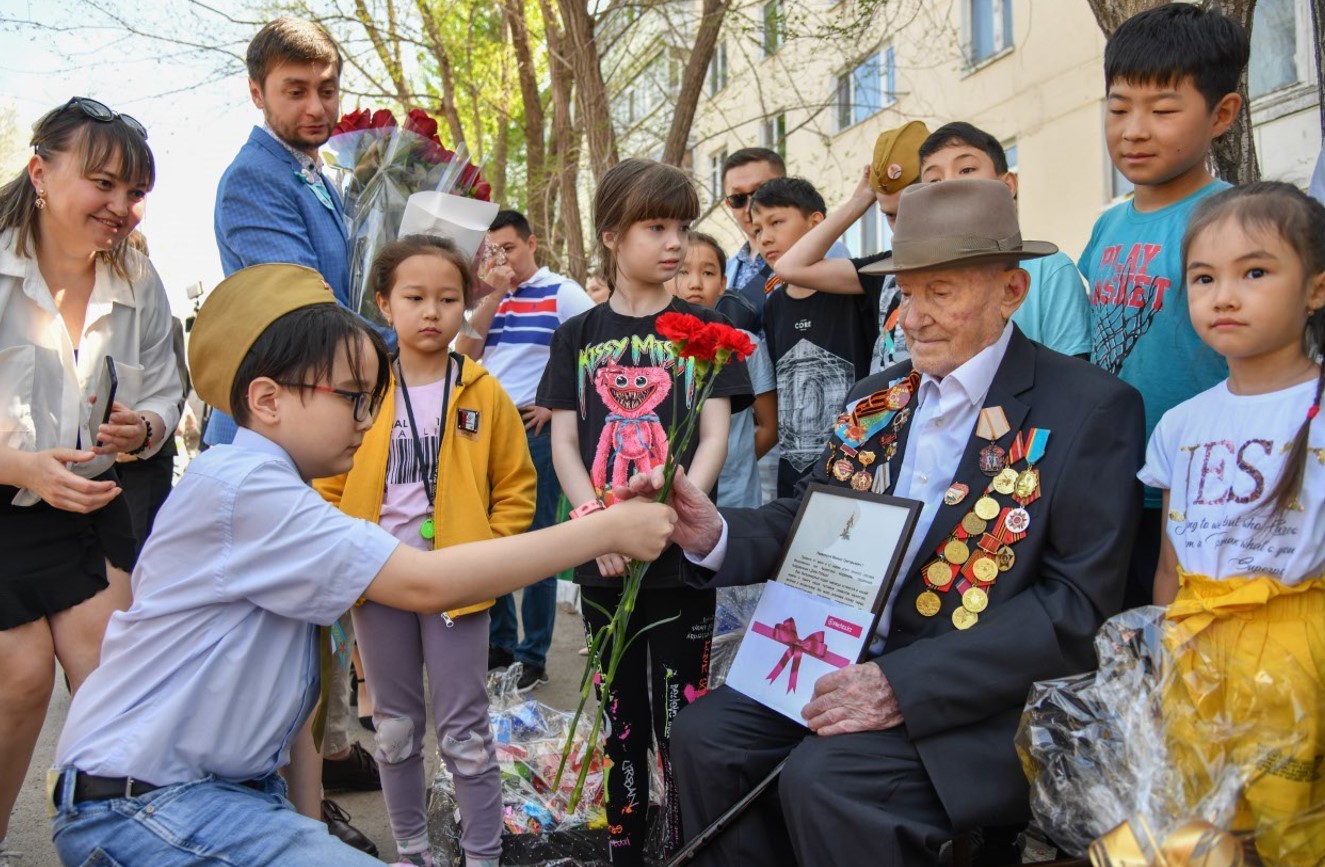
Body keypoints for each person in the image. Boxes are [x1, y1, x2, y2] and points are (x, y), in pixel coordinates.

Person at [48, 263, 676, 867]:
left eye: (373, 399)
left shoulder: (270, 488)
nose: (368, 419)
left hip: (214, 798)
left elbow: (295, 716)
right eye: (352, 398)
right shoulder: (249, 488)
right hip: (149, 804)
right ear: (266, 399)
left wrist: (307, 829)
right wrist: (604, 529)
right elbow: (425, 582)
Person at [626, 179, 1145, 867]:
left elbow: (1073, 609)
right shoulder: (878, 396)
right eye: (905, 292)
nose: (914, 317)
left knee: (828, 779)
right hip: (839, 657)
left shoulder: (1088, 407)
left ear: (1011, 291)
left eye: (943, 292)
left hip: (977, 696)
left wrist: (903, 683)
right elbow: (818, 515)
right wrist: (714, 531)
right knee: (707, 736)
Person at [537, 158, 751, 864]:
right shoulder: (576, 335)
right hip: (603, 563)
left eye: (682, 227)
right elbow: (565, 441)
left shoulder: (705, 326)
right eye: (655, 226)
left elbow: (715, 432)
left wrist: (677, 511)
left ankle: (689, 841)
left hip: (679, 559)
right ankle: (625, 841)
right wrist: (596, 519)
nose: (674, 243)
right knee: (621, 719)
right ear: (610, 234)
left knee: (682, 720)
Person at [0, 98, 180, 865]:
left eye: (134, 192)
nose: (121, 208)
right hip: (5, 502)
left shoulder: (138, 274)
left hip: (89, 507)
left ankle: (126, 845)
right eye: (103, 183)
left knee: (113, 681)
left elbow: (169, 389)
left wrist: (145, 428)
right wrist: (19, 463)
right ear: (41, 173)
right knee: (21, 676)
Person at [317, 236, 534, 867]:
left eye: (448, 298)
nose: (432, 312)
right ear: (384, 304)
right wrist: (346, 550)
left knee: (465, 731)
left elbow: (516, 487)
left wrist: (488, 557)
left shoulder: (483, 390)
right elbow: (328, 478)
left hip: (459, 586)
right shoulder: (360, 390)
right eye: (415, 298)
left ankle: (482, 853)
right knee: (394, 729)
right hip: (379, 581)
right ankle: (413, 851)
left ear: (466, 304)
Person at [212, 19, 377, 840]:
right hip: (267, 432)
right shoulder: (253, 181)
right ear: (257, 91)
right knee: (268, 638)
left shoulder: (323, 177)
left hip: (316, 430)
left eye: (327, 89)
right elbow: (301, 310)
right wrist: (399, 345)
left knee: (309, 625)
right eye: (295, 90)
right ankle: (276, 812)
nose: (317, 106)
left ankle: (307, 793)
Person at [1142, 183, 1325, 864]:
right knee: (1201, 821)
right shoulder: (1179, 424)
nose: (1223, 295)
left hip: (1298, 648)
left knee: (1295, 827)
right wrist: (1162, 664)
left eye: (1254, 272)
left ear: (1314, 289)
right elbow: (1169, 560)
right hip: (1195, 647)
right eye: (1202, 277)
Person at [1079, 2, 1248, 608]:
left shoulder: (1237, 221)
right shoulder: (1106, 228)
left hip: (1202, 488)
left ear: (1222, 114)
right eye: (1119, 108)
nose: (1134, 130)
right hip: (1110, 477)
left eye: (1164, 110)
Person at [454, 209, 594, 692]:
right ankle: (501, 644)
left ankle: (533, 655)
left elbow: (595, 356)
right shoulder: (488, 298)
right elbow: (465, 355)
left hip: (534, 430)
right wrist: (491, 292)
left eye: (508, 248)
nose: (501, 259)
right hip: (483, 429)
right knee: (485, 539)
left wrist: (559, 410)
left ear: (532, 244)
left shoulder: (563, 292)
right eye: (491, 251)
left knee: (537, 543)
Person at [917, 122, 1092, 359]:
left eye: (966, 170)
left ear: (1007, 185)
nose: (949, 185)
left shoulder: (1049, 269)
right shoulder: (920, 276)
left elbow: (1074, 378)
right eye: (934, 181)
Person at [755, 178, 878, 497]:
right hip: (792, 475)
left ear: (816, 224)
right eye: (757, 230)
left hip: (853, 468)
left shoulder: (855, 288)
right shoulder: (774, 304)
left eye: (777, 222)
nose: (765, 237)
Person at [773, 121, 929, 374]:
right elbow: (789, 267)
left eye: (912, 212)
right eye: (890, 215)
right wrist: (859, 201)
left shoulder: (967, 265)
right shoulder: (883, 271)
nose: (900, 229)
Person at [671, 232, 777, 508]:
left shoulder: (744, 344)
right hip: (668, 494)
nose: (695, 283)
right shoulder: (653, 346)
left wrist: (736, 462)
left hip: (735, 498)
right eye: (682, 272)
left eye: (708, 273)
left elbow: (769, 425)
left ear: (723, 283)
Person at [720, 147, 850, 332]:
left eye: (759, 192)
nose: (750, 206)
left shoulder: (828, 251)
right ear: (728, 204)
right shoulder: (721, 270)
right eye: (738, 198)